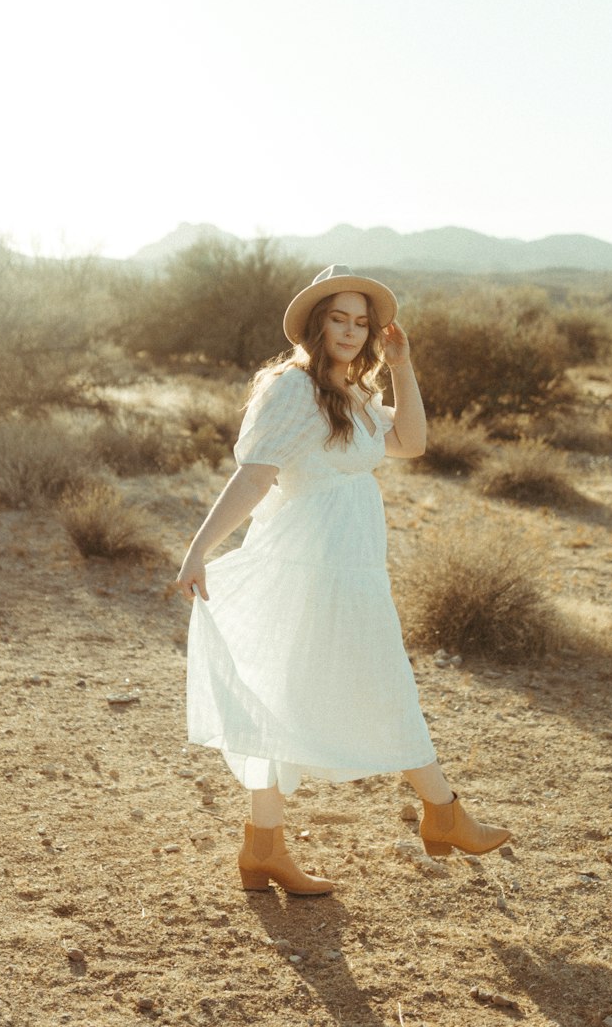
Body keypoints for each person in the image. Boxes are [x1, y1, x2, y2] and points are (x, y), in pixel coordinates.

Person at [176, 264, 510, 894]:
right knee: (378, 679)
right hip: (307, 564)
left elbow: (411, 442)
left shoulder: (350, 393)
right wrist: (198, 549)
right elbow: (253, 477)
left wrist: (403, 364)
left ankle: (263, 848)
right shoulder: (290, 389)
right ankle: (443, 812)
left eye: (364, 322)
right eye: (341, 319)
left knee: (294, 690)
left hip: (349, 565)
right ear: (316, 322)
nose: (354, 331)